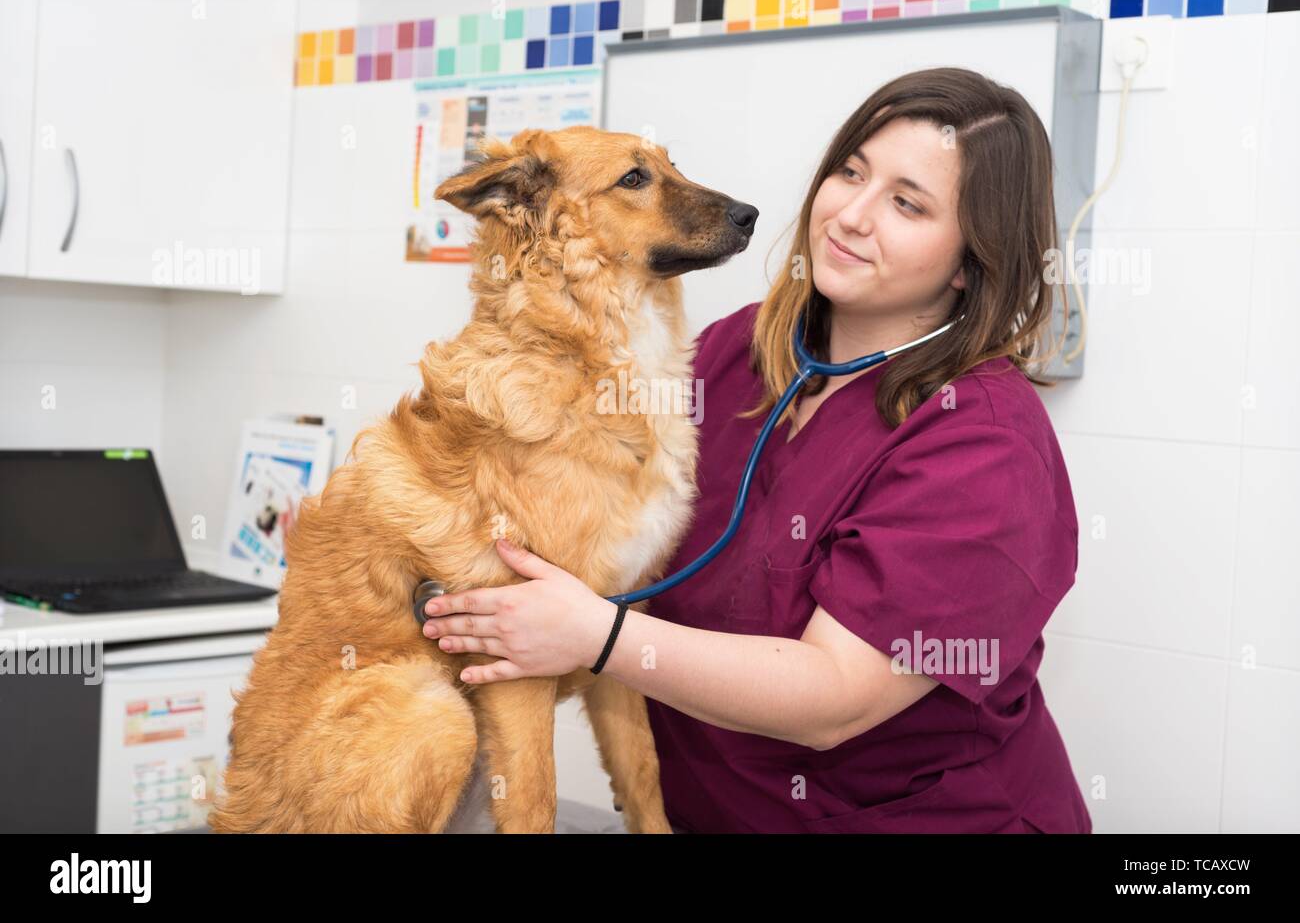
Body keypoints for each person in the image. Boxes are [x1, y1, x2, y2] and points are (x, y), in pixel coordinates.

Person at [420, 66, 1092, 834]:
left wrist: (596, 636)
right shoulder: (734, 352)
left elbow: (836, 696)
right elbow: (564, 505)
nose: (851, 215)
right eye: (850, 172)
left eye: (906, 203)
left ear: (973, 260)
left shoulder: (983, 446)